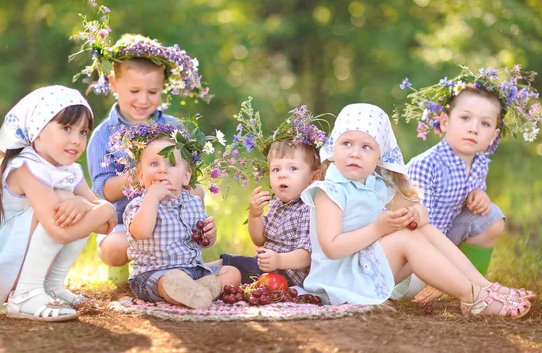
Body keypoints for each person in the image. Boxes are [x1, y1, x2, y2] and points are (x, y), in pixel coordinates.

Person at [300, 103, 532, 318]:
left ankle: (484, 287)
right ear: (333, 146)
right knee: (405, 238)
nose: (354, 153)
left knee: (424, 230)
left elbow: (420, 213)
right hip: (341, 279)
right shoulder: (329, 191)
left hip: (366, 269)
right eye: (346, 143)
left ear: (380, 155)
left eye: (366, 147)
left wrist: (417, 214)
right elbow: (331, 248)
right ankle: (473, 298)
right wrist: (377, 229)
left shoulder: (376, 184)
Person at [70, 0, 211, 278]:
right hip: (126, 223)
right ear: (113, 83)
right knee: (114, 248)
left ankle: (182, 260)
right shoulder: (102, 135)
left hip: (172, 220)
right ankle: (128, 271)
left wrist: (177, 183)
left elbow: (191, 180)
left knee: (198, 191)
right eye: (134, 91)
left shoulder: (174, 129)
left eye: (153, 92)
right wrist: (146, 175)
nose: (143, 100)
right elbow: (103, 192)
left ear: (163, 88)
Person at [0, 85, 117, 322]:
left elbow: (104, 225)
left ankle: (51, 286)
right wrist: (96, 206)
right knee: (64, 202)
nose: (76, 140)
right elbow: (59, 230)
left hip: (20, 256)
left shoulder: (70, 170)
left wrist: (89, 207)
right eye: (66, 128)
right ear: (37, 130)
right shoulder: (25, 168)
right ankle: (25, 294)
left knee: (71, 203)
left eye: (83, 132)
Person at [398, 66, 540, 301]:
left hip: (445, 245)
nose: (473, 128)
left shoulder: (480, 162)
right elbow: (419, 229)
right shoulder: (425, 164)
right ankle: (472, 288)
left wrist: (479, 195)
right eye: (465, 118)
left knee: (491, 215)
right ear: (444, 122)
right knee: (423, 239)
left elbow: (471, 209)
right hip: (412, 259)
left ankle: (471, 290)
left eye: (484, 124)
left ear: (493, 136)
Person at [110, 119, 241, 309]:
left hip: (193, 270)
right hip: (154, 275)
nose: (162, 169)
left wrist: (210, 235)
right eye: (154, 164)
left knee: (232, 273)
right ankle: (189, 291)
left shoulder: (193, 203)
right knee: (171, 280)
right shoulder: (138, 205)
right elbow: (141, 232)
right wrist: (152, 198)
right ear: (140, 176)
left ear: (186, 176)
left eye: (171, 163)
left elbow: (202, 242)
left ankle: (198, 291)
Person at [206, 100, 327, 286]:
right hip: (268, 268)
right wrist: (255, 215)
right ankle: (197, 276)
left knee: (231, 264)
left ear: (314, 177)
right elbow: (259, 238)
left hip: (288, 274)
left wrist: (279, 260)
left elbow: (307, 256)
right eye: (276, 170)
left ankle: (197, 277)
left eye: (293, 168)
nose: (282, 175)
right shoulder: (278, 203)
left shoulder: (310, 208)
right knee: (229, 264)